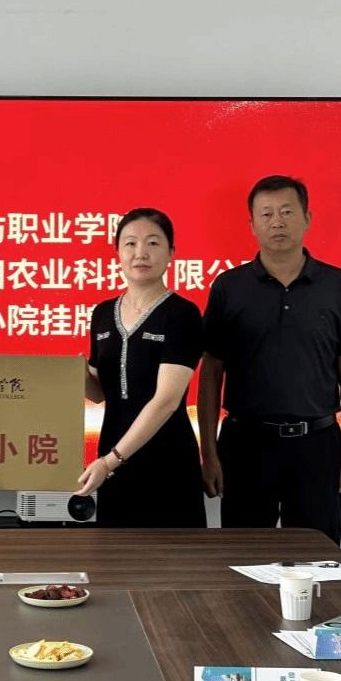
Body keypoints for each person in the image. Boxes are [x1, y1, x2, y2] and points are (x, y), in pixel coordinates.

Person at [198, 175, 341, 545]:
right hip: (246, 445)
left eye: (286, 212)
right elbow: (211, 373)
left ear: (307, 218)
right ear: (252, 224)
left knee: (317, 559)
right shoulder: (229, 287)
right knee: (243, 558)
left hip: (316, 444)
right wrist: (209, 454)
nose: (277, 222)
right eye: (266, 214)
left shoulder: (336, 285)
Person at [75, 208, 207, 527]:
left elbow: (166, 401)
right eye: (130, 243)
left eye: (153, 243)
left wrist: (111, 461)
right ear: (118, 252)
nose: (141, 253)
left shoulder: (182, 314)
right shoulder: (102, 313)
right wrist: (74, 375)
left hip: (167, 457)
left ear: (171, 253)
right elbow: (98, 393)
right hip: (114, 457)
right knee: (116, 552)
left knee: (176, 553)